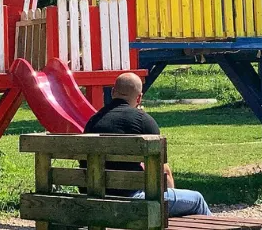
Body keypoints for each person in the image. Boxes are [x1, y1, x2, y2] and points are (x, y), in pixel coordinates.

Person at [83, 72, 213, 217]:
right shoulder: (143, 121)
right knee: (197, 200)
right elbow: (164, 172)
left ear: (113, 92)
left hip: (95, 200)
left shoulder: (92, 122)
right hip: (132, 200)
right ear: (139, 97)